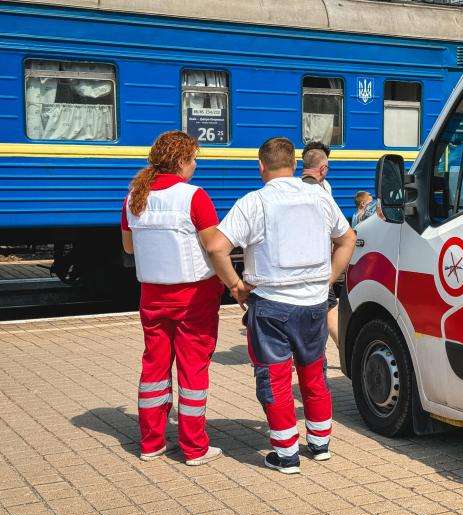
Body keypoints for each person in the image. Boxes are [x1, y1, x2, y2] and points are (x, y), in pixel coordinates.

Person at [208, 137, 355, 474]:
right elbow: (347, 238)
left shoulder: (254, 202)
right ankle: (319, 444)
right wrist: (329, 278)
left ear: (261, 166)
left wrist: (235, 286)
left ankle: (286, 453)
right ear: (293, 164)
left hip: (271, 305)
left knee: (274, 377)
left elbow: (216, 246)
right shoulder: (319, 197)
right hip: (315, 303)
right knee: (314, 372)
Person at [121, 131, 223, 466]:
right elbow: (213, 246)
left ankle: (151, 444)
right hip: (193, 297)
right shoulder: (194, 197)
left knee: (154, 367)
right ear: (180, 161)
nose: (195, 165)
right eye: (193, 158)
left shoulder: (134, 195)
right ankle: (194, 448)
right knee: (193, 372)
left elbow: (129, 247)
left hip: (151, 295)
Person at [300, 141, 341, 346]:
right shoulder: (321, 192)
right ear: (323, 167)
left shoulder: (295, 187)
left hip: (305, 261)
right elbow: (344, 235)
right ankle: (347, 356)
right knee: (330, 312)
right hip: (318, 263)